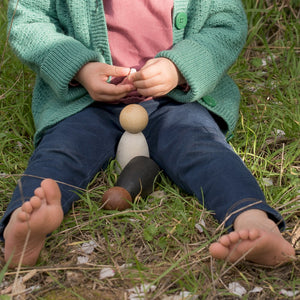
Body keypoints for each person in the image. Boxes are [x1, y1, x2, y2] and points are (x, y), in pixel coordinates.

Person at [1, 0, 295, 267]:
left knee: (203, 149)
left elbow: (225, 25)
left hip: (174, 103)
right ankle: (25, 223)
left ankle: (254, 221)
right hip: (85, 102)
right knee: (63, 150)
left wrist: (178, 67)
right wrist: (80, 68)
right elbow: (30, 21)